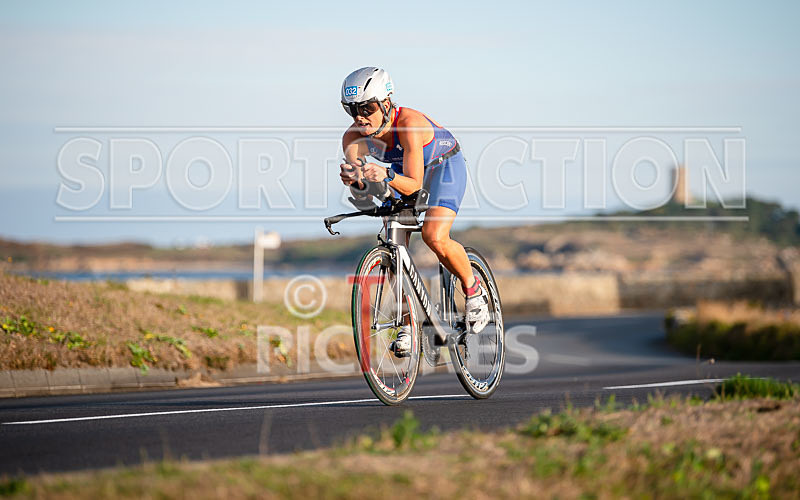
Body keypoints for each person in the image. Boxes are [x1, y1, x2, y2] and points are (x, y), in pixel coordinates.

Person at [338, 66, 489, 355]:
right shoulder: (352, 139)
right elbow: (362, 196)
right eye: (352, 110)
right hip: (400, 172)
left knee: (434, 236)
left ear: (386, 103)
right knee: (394, 247)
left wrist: (386, 175)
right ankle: (408, 324)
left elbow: (415, 186)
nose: (360, 116)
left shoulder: (408, 124)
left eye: (367, 108)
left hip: (444, 167)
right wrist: (355, 181)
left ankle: (473, 290)